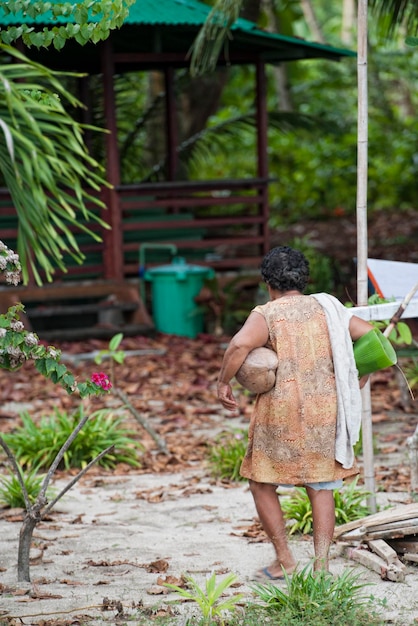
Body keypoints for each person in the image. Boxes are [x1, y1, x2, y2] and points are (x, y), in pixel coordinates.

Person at [217, 246, 373, 580]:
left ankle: (285, 560)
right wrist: (361, 373)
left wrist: (223, 383)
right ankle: (322, 567)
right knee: (321, 487)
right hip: (326, 410)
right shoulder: (328, 308)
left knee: (261, 482)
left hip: (280, 411)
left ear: (268, 283)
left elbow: (239, 345)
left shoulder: (268, 313)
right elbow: (371, 336)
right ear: (303, 279)